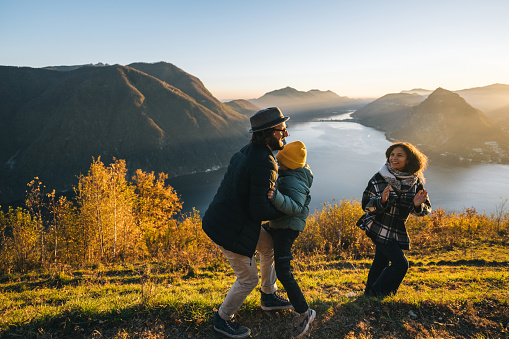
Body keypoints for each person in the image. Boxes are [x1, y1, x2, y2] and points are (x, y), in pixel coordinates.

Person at [202, 107, 294, 338]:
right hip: (230, 229)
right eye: (283, 130)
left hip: (225, 219)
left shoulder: (246, 151)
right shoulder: (265, 162)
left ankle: (268, 296)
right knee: (247, 278)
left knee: (268, 246)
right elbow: (258, 209)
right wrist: (288, 210)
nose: (286, 134)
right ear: (270, 133)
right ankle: (222, 319)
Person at [356, 141, 431, 297]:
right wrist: (381, 201)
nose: (394, 158)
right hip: (377, 227)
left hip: (396, 229)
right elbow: (366, 205)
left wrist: (416, 205)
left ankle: (369, 294)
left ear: (409, 160)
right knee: (400, 264)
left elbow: (425, 210)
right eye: (392, 155)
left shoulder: (415, 181)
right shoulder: (380, 178)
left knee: (381, 262)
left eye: (399, 155)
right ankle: (379, 294)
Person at [266, 140, 316, 338]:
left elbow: (294, 207)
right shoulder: (291, 174)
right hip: (280, 224)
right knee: (260, 241)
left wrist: (275, 196)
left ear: (290, 164)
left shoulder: (294, 180)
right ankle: (268, 296)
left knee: (283, 270)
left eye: (281, 162)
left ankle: (304, 311)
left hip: (287, 228)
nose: (278, 164)